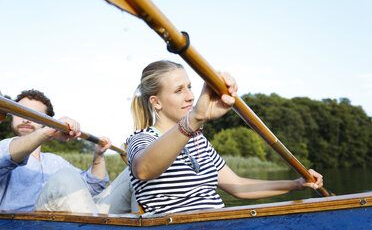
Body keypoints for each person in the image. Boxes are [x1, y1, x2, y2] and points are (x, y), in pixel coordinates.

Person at [126, 60, 323, 215]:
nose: (190, 96)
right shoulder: (142, 138)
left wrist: (296, 184)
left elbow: (239, 186)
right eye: (179, 90)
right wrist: (195, 119)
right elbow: (144, 170)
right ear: (156, 102)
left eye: (189, 87)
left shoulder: (199, 141)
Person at [0, 89, 137, 214]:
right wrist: (47, 132)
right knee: (66, 176)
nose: (25, 119)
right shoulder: (4, 151)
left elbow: (93, 186)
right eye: (20, 113)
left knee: (135, 171)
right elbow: (8, 154)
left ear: (47, 121)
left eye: (33, 115)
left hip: (76, 218)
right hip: (26, 223)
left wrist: (99, 156)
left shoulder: (55, 162)